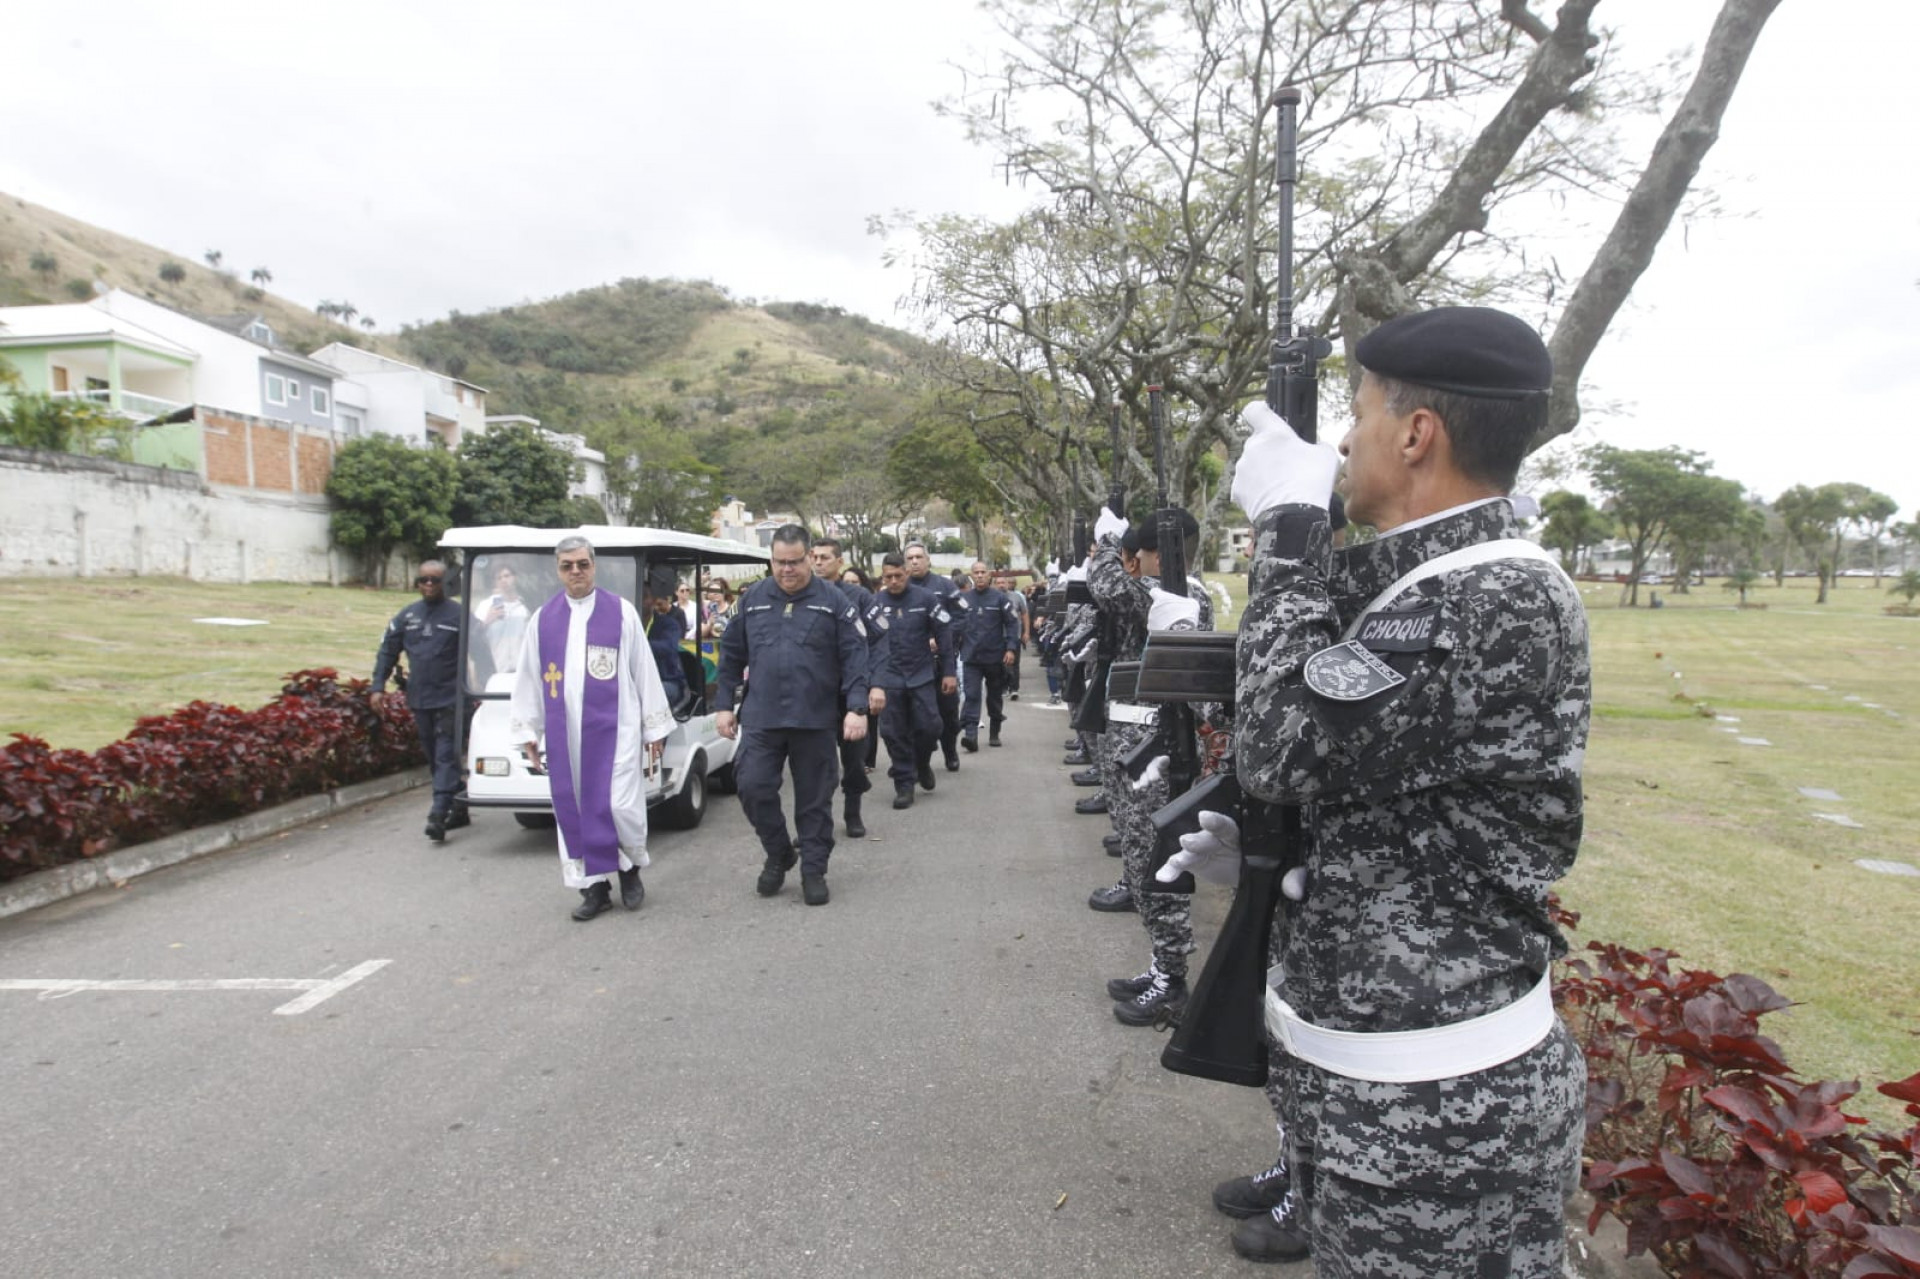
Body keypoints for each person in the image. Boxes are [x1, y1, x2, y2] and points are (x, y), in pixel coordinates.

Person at [1169, 307, 1589, 1273]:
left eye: (1355, 415)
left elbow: (1282, 741)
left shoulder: (1497, 595)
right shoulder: (1428, 586)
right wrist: (1303, 856)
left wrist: (1287, 529)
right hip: (1382, 1098)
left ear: (1416, 433)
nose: (1342, 441)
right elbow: (1378, 773)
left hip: (1445, 1120)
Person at [508, 536, 675, 921]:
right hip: (566, 738)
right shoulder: (543, 620)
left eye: (582, 563)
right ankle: (594, 887)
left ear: (594, 565)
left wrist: (655, 730)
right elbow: (530, 679)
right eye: (567, 565)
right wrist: (529, 733)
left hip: (617, 733)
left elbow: (643, 671)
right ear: (558, 570)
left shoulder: (621, 613)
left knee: (618, 806)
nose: (576, 571)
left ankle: (629, 870)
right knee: (576, 809)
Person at [1084, 509, 1207, 1026]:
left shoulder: (1180, 599)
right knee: (1140, 862)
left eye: (1140, 556)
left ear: (1165, 556)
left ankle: (1173, 979)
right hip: (1133, 749)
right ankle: (1161, 962)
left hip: (1158, 757)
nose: (1131, 567)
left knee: (1158, 866)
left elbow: (1108, 584)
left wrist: (1108, 545)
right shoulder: (1152, 594)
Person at [715, 524, 877, 907]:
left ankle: (813, 870)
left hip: (815, 718)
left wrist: (856, 708)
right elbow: (731, 655)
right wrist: (724, 703)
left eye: (794, 562)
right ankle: (779, 852)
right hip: (762, 717)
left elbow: (856, 656)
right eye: (779, 562)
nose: (787, 570)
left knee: (814, 800)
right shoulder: (752, 599)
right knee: (752, 786)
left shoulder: (834, 601)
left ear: (809, 558)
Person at [371, 559, 467, 842]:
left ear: (444, 583)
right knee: (434, 756)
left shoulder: (459, 615)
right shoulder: (407, 615)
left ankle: (438, 814)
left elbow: (481, 652)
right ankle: (459, 807)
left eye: (434, 580)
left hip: (451, 698)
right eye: (423, 580)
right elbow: (387, 651)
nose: (428, 585)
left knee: (446, 754)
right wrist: (377, 687)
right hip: (420, 698)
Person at [811, 537, 886, 839]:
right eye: (814, 557)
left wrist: (877, 684)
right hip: (815, 693)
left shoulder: (859, 596)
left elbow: (881, 640)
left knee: (854, 760)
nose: (818, 562)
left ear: (839, 562)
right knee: (815, 762)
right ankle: (815, 823)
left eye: (825, 557)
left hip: (851, 691)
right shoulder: (801, 595)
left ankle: (853, 810)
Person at [868, 551, 955, 809]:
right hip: (890, 677)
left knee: (930, 726)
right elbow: (868, 643)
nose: (893, 581)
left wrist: (949, 671)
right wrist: (873, 681)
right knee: (893, 732)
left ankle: (922, 762)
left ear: (906, 573)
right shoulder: (875, 603)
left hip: (921, 674)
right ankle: (904, 784)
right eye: (888, 577)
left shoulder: (927, 599)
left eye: (898, 575)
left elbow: (944, 634)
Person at [904, 541, 968, 771]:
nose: (914, 561)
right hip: (914, 664)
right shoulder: (901, 588)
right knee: (918, 716)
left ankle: (950, 751)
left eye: (919, 557)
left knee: (948, 712)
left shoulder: (945, 585)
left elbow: (962, 615)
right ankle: (921, 761)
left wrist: (943, 639)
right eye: (910, 558)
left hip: (942, 660)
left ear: (928, 559)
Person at [956, 561, 1020, 750]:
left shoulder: (1000, 599)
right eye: (976, 572)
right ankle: (971, 736)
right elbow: (956, 624)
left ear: (989, 575)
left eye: (983, 572)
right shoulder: (963, 599)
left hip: (995, 657)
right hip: (971, 658)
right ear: (971, 575)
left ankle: (994, 732)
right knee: (972, 695)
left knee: (994, 697)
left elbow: (1011, 624)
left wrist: (1010, 649)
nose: (980, 575)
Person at [641, 566, 689, 713]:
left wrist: (639, 645)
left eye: (644, 597)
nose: (640, 601)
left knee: (646, 698)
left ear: (653, 600)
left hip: (667, 681)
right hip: (636, 681)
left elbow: (668, 647)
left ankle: (657, 736)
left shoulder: (668, 624)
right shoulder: (627, 623)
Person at [471, 562, 531, 677]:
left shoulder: (525, 607)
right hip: (495, 672)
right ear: (495, 583)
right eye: (499, 578)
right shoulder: (485, 606)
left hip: (522, 672)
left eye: (507, 576)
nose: (504, 580)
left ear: (515, 578)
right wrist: (486, 621)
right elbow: (473, 639)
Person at [999, 572, 1030, 699]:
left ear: (1008, 584)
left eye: (1003, 582)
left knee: (1014, 663)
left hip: (1014, 635)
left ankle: (1014, 688)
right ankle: (1003, 687)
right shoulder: (993, 597)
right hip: (998, 636)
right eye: (998, 583)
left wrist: (1026, 632)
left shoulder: (1017, 597)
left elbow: (1024, 614)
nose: (1001, 585)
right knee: (1001, 663)